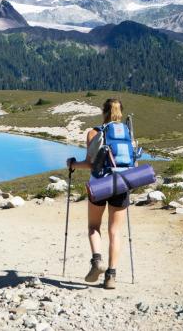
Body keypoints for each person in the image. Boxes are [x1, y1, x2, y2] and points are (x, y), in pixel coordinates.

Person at [66, 99, 129, 290]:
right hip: (122, 183)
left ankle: (97, 261)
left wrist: (72, 164)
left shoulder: (94, 132)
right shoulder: (127, 132)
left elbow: (91, 164)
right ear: (120, 112)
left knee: (94, 226)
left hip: (100, 185)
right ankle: (111, 276)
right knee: (115, 231)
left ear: (103, 112)